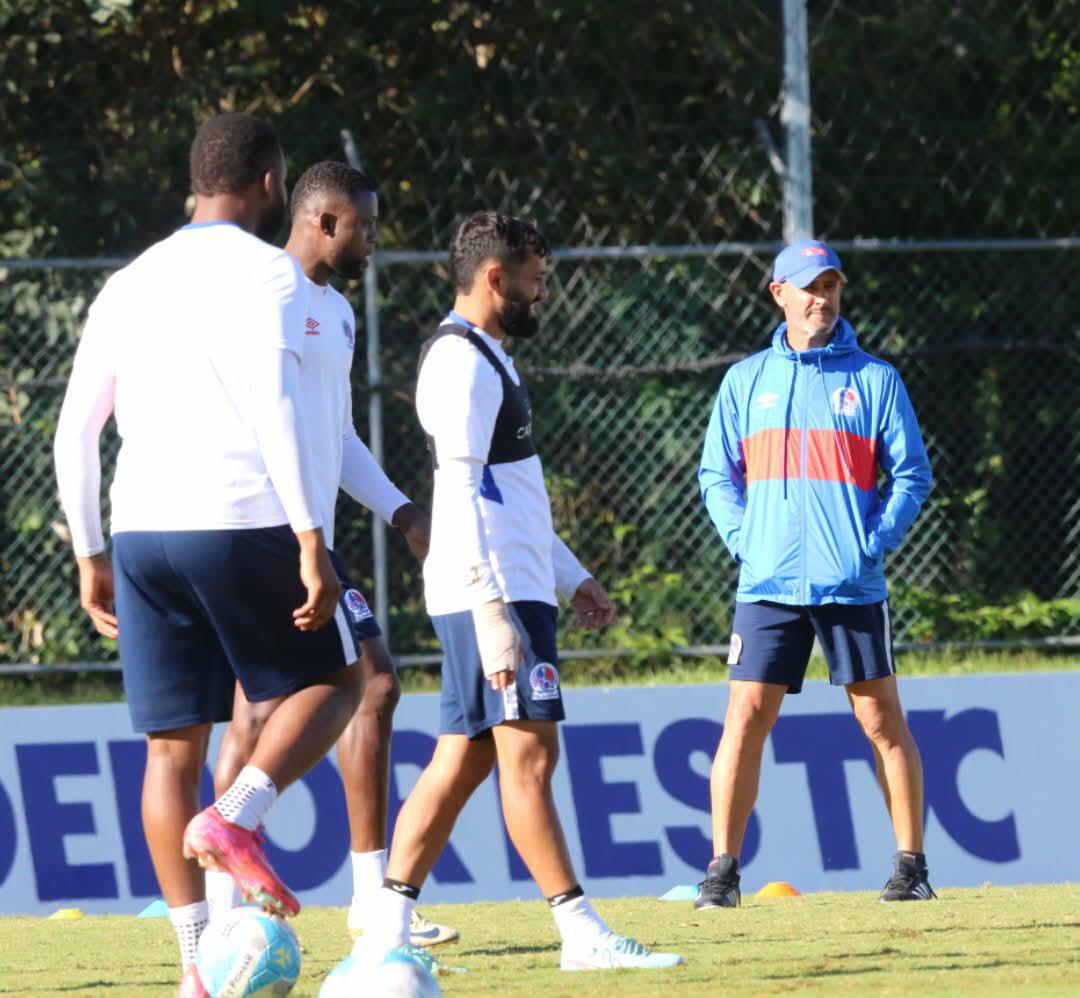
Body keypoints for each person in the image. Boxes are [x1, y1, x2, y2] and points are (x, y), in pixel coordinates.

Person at [53, 114, 364, 998]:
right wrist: (311, 538)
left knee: (168, 753)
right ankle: (237, 819)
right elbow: (273, 407)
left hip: (142, 529)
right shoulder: (269, 271)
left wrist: (89, 550)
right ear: (270, 183)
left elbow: (75, 428)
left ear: (196, 181)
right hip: (236, 516)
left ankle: (196, 968)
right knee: (337, 682)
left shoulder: (129, 279)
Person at [353, 211, 683, 972]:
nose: (544, 296)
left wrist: (573, 578)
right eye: (535, 282)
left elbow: (511, 496)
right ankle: (581, 933)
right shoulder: (460, 363)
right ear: (494, 278)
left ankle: (385, 928)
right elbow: (460, 496)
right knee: (529, 760)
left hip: (511, 586)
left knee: (462, 760)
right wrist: (493, 612)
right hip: (491, 595)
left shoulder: (490, 357)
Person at [206, 160, 457, 948]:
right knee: (355, 684)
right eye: (366, 227)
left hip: (306, 531)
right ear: (322, 221)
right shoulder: (272, 294)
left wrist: (401, 511)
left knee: (327, 695)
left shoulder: (336, 313)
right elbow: (267, 418)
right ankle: (294, 891)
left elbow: (336, 437)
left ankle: (341, 900)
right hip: (265, 526)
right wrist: (302, 532)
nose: (375, 241)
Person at [696, 239, 936, 909]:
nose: (821, 298)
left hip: (851, 583)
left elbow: (913, 474)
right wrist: (748, 540)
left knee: (881, 721)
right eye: (809, 286)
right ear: (779, 294)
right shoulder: (746, 381)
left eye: (831, 286)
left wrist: (873, 542)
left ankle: (911, 867)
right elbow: (717, 474)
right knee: (744, 718)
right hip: (767, 585)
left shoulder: (875, 379)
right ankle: (721, 872)